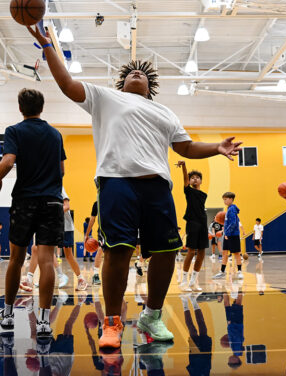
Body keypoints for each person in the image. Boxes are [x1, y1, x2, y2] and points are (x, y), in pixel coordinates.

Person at [26, 23, 241, 349]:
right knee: (118, 251)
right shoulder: (104, 97)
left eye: (142, 73)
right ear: (122, 82)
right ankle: (112, 323)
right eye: (130, 73)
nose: (137, 73)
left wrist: (216, 147)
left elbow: (185, 147)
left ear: (150, 86)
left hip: (157, 187)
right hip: (117, 183)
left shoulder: (165, 112)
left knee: (167, 251)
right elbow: (67, 84)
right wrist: (47, 47)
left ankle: (152, 317)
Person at [0, 88, 66, 338]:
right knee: (47, 261)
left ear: (20, 108)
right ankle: (44, 322)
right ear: (42, 107)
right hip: (52, 202)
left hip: (25, 201)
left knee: (16, 259)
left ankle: (8, 315)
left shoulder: (14, 131)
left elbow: (7, 162)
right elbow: (61, 170)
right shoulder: (55, 135)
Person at [177, 161, 208, 292]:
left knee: (202, 252)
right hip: (192, 223)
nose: (195, 179)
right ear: (189, 181)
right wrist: (184, 166)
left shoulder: (204, 195)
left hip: (203, 223)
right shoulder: (188, 191)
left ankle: (193, 281)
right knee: (191, 251)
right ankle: (184, 281)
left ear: (201, 181)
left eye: (197, 177)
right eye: (192, 178)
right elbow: (185, 179)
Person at [59, 188, 87, 291]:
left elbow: (67, 206)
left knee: (68, 255)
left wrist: (52, 214)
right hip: (54, 226)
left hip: (65, 227)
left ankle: (81, 279)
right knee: (42, 250)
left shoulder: (59, 187)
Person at [214, 192, 244, 280]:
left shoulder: (232, 209)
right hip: (228, 234)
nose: (224, 201)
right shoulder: (229, 209)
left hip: (233, 235)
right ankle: (222, 272)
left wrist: (227, 233)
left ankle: (239, 272)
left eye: (225, 199)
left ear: (231, 199)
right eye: (223, 199)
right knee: (224, 253)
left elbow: (233, 223)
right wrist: (224, 231)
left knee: (236, 253)